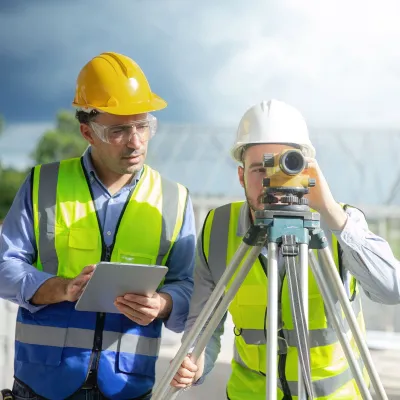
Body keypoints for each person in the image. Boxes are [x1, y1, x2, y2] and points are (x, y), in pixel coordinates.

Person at [170, 99, 400, 399]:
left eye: (285, 166)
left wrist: (331, 212)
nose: (272, 182)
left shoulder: (339, 222)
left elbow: (392, 289)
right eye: (259, 168)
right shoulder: (218, 228)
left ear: (306, 169)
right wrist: (196, 358)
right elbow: (203, 322)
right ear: (240, 176)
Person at [0, 52, 196, 400]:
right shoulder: (43, 184)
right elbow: (4, 266)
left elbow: (188, 285)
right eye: (119, 130)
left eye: (143, 126)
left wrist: (163, 304)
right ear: (87, 132)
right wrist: (60, 288)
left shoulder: (175, 199)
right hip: (43, 385)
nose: (135, 142)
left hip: (128, 385)